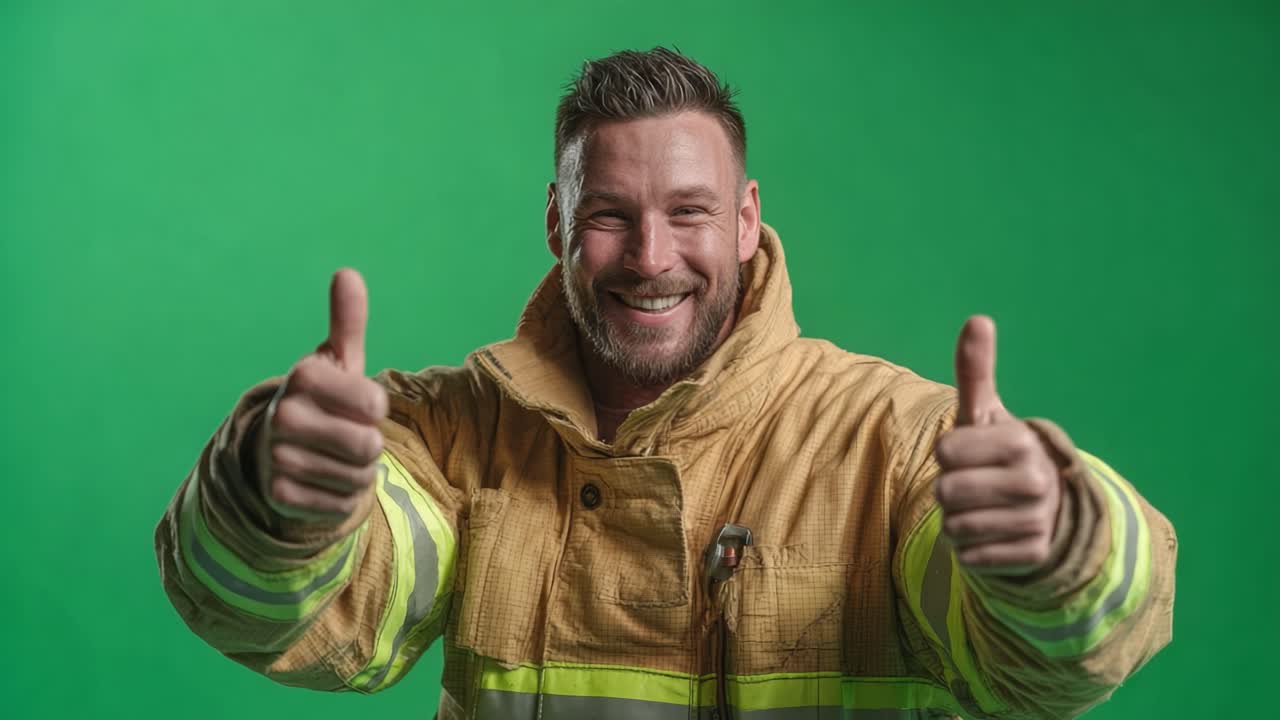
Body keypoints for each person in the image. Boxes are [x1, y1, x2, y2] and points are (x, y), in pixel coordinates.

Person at [155, 48, 1175, 720]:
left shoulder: (894, 442)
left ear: (743, 219)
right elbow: (290, 618)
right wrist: (275, 502)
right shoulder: (453, 432)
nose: (650, 256)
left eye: (689, 212)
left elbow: (1071, 658)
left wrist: (1053, 547)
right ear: (555, 223)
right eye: (608, 214)